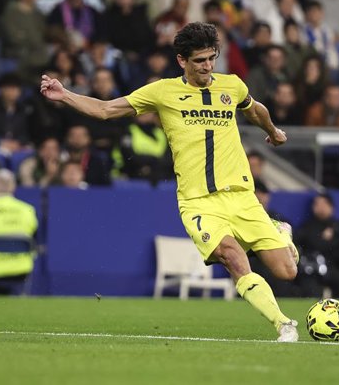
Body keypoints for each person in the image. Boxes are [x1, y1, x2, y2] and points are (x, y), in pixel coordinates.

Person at [40, 22, 300, 342]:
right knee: (231, 256)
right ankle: (283, 324)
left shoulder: (231, 86)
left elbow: (254, 108)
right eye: (200, 60)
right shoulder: (162, 92)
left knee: (287, 272)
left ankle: (279, 231)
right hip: (198, 201)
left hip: (242, 196)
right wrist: (65, 94)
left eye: (211, 58)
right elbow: (107, 109)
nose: (207, 66)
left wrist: (273, 131)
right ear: (182, 61)